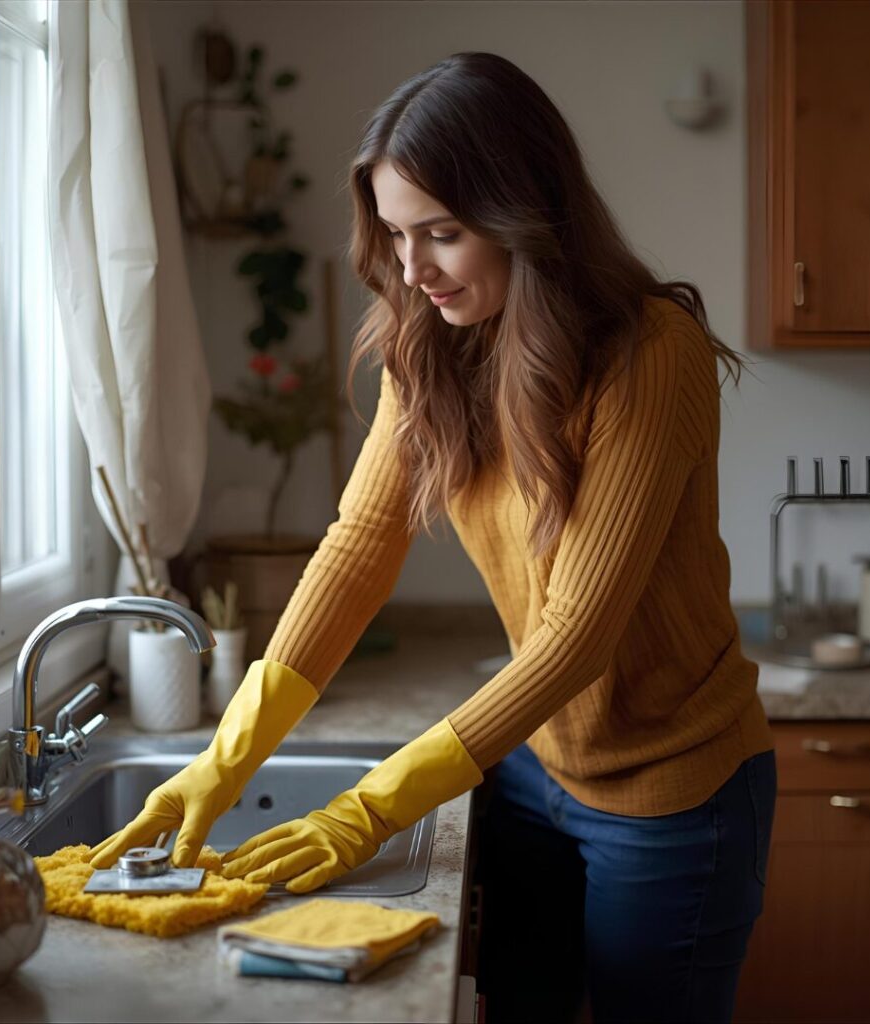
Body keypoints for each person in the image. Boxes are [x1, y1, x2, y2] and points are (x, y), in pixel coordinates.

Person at [89, 52, 777, 1023]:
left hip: (676, 791)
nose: (412, 270)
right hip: (535, 767)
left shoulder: (648, 353)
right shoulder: (432, 341)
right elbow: (360, 545)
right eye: (396, 233)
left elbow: (577, 634)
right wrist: (223, 759)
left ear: (526, 215)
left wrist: (369, 808)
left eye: (442, 234)